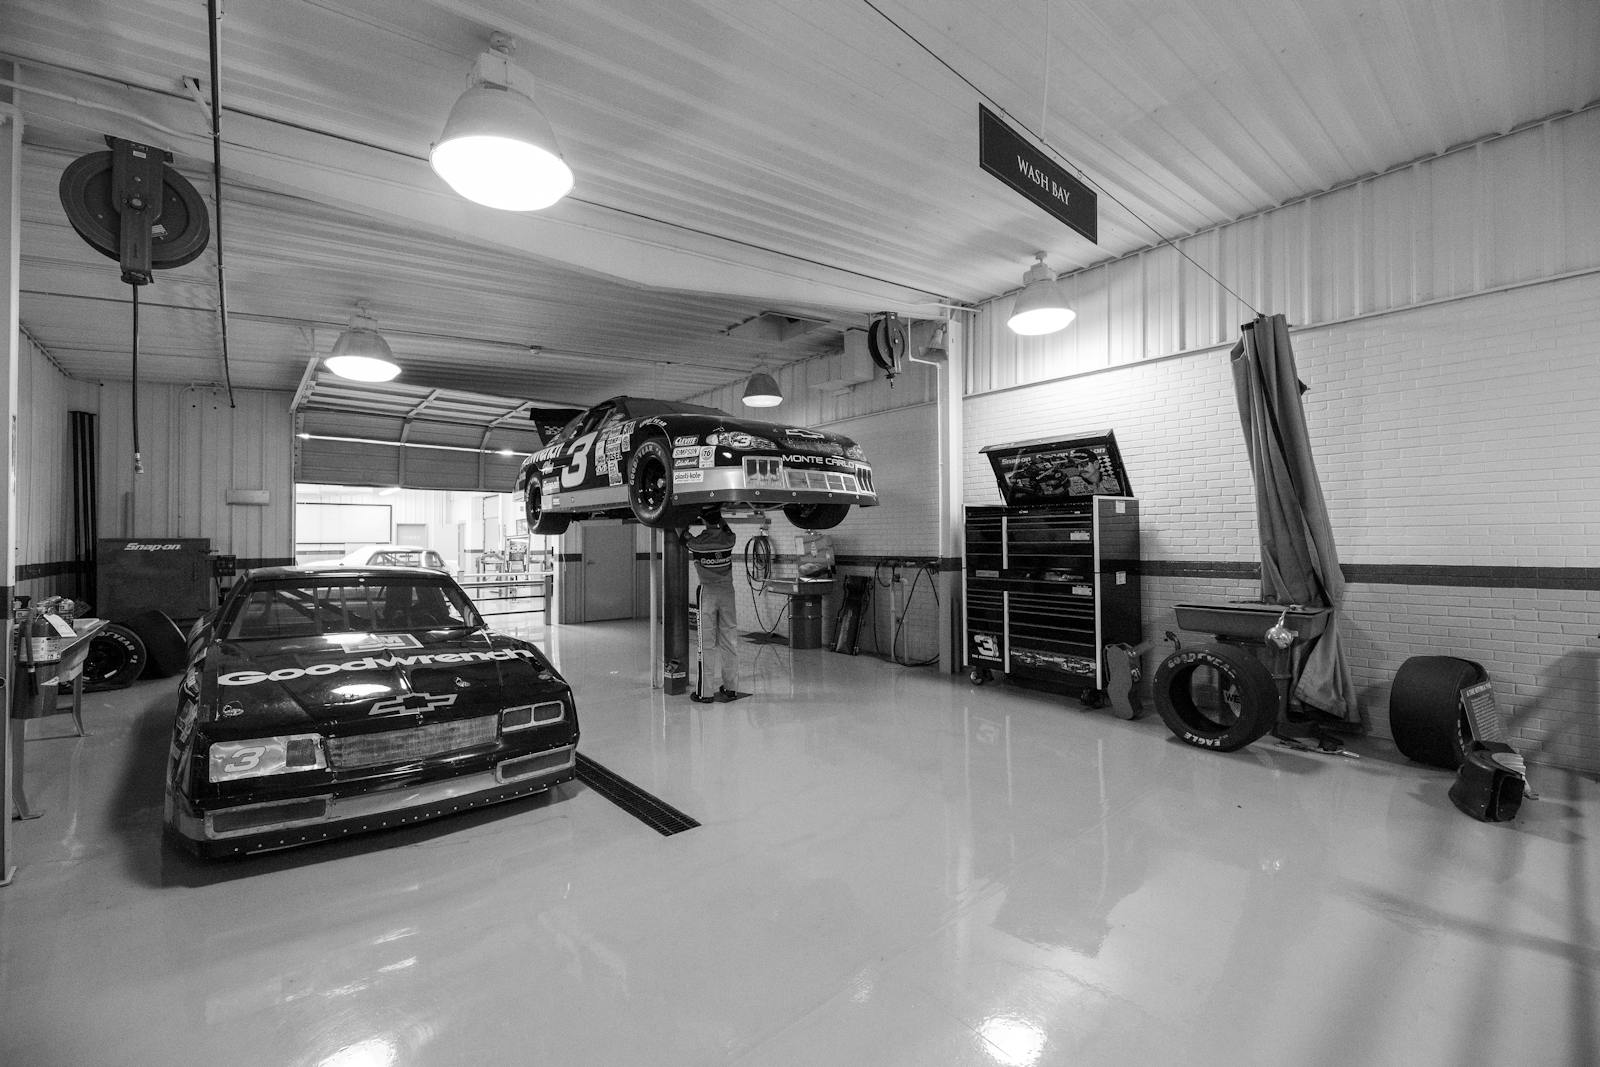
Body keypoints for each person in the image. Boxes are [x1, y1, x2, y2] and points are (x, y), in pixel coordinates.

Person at [685, 511, 740, 703]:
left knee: (706, 642)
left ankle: (705, 692)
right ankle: (731, 688)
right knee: (730, 640)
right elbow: (726, 529)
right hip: (728, 593)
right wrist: (718, 517)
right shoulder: (729, 540)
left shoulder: (697, 543)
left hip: (708, 594)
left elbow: (680, 533)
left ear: (703, 520)